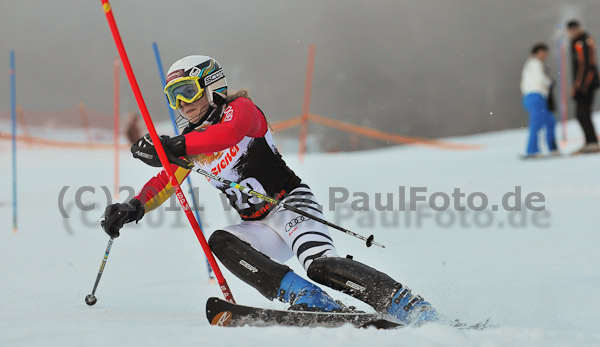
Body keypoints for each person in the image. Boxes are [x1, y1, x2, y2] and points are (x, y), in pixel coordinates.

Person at [100, 55, 438, 325]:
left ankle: (406, 303)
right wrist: (134, 206)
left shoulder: (241, 110)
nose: (183, 104)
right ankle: (310, 300)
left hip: (291, 205)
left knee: (321, 266)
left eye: (188, 91)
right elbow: (166, 181)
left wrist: (173, 144)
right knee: (220, 240)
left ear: (211, 86)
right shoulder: (191, 142)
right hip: (257, 226)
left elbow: (229, 135)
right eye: (174, 98)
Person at [566, 20, 600, 154]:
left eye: (574, 29)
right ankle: (589, 141)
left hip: (587, 83)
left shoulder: (583, 41)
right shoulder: (575, 42)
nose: (572, 33)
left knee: (583, 113)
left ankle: (592, 142)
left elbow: (587, 64)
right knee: (581, 114)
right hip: (581, 83)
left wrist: (580, 85)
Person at [520, 43, 557, 157]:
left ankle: (552, 148)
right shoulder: (535, 63)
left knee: (549, 120)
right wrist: (549, 82)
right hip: (535, 95)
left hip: (535, 96)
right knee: (537, 122)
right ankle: (532, 150)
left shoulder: (533, 64)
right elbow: (539, 78)